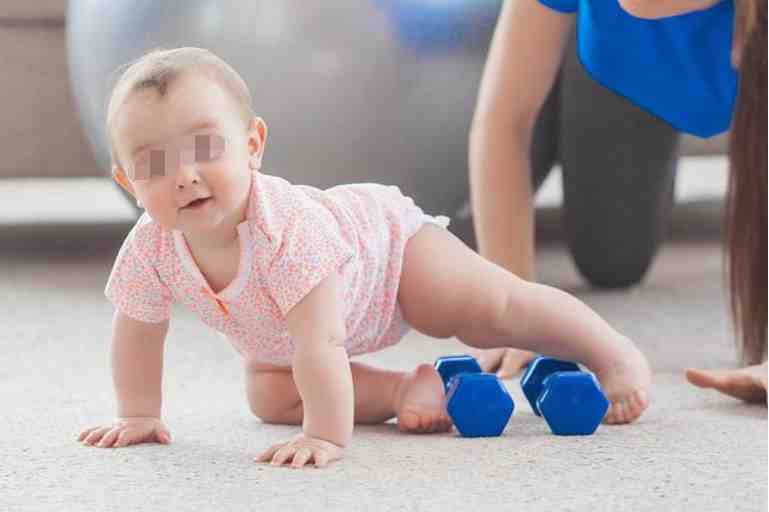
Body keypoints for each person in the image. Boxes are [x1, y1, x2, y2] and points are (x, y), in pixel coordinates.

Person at [77, 47, 651, 469]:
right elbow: (138, 332)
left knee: (492, 308)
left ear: (252, 146)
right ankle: (404, 392)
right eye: (154, 165)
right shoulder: (151, 244)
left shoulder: (284, 231)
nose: (184, 177)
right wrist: (139, 413)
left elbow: (322, 342)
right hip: (283, 340)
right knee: (270, 395)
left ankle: (614, 353)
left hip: (388, 258)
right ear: (128, 181)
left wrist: (325, 436)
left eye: (205, 148)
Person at [469, 0, 767, 400]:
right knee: (446, 225)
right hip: (600, 57)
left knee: (612, 259)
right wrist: (514, 309)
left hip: (660, 75)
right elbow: (504, 120)